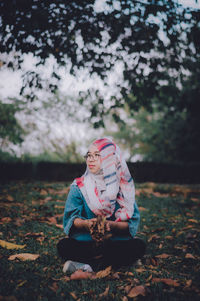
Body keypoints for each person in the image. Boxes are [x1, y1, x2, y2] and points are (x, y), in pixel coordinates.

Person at [57, 137, 146, 272]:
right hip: (86, 242)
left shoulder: (123, 187)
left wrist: (110, 226)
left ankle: (86, 265)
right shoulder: (79, 186)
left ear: (110, 159)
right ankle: (116, 264)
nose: (90, 159)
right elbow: (71, 218)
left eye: (97, 155)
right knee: (64, 245)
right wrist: (87, 225)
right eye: (88, 155)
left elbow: (131, 224)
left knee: (138, 246)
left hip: (115, 241)